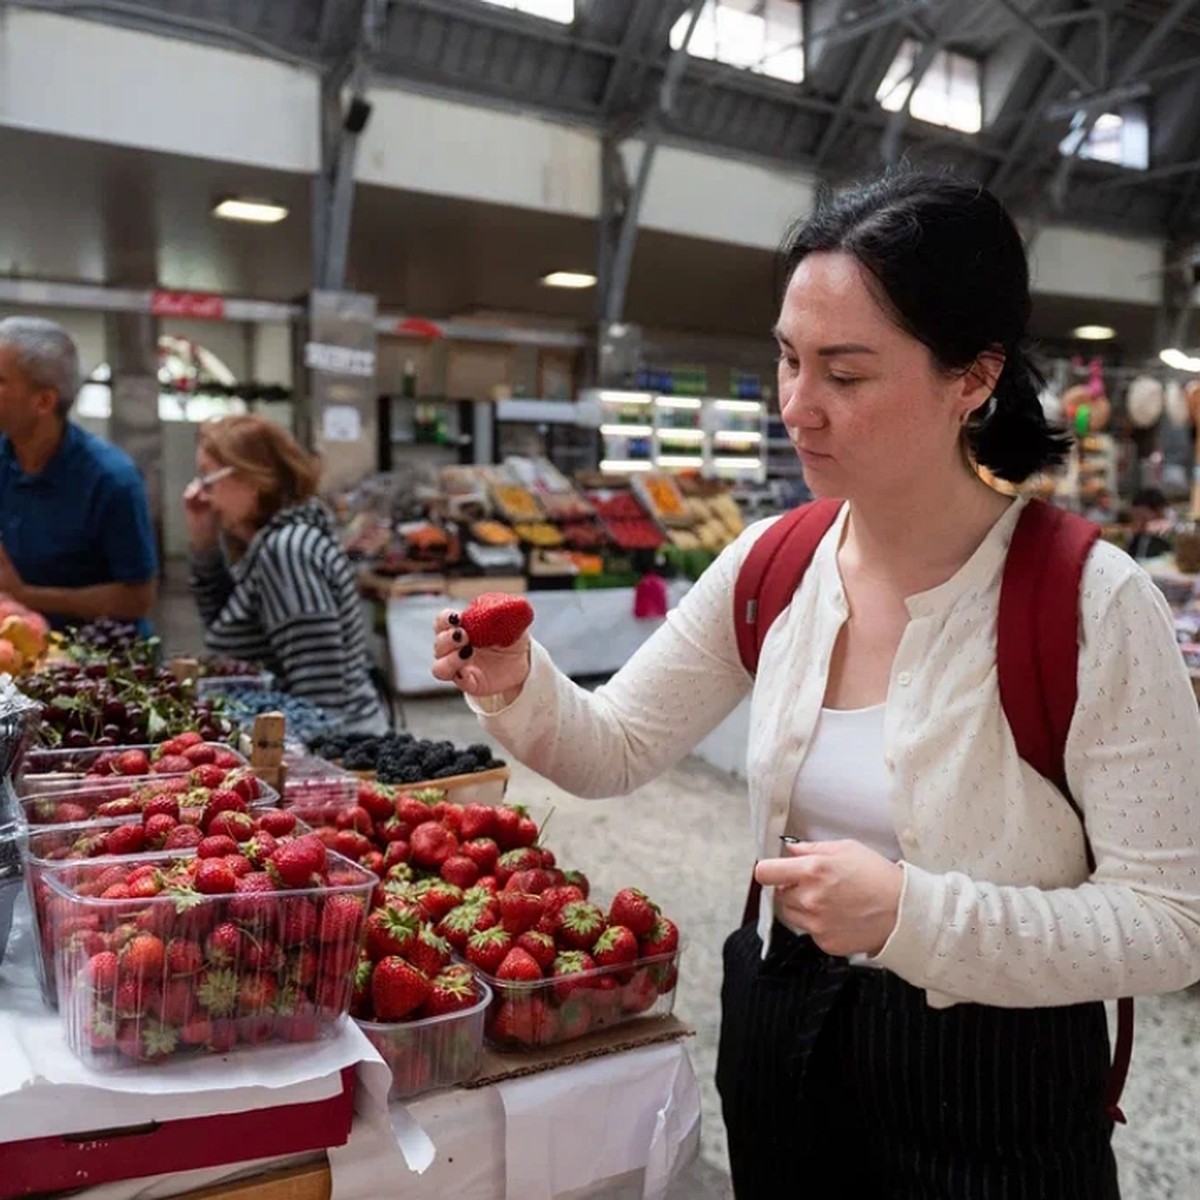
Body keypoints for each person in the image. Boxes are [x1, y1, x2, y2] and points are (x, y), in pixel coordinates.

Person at [431, 172, 1200, 1198]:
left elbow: (1171, 921)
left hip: (997, 1080)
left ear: (972, 377)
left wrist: (910, 916)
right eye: (789, 359)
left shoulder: (1091, 603)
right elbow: (614, 748)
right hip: (782, 1034)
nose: (799, 406)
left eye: (846, 372)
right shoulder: (774, 563)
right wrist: (518, 681)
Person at [185, 414, 387, 735]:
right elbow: (226, 625)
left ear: (253, 478)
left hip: (343, 753)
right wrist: (204, 545)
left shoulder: (288, 552)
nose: (198, 494)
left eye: (209, 479)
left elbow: (321, 703)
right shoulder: (273, 543)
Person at [0, 316, 157, 628]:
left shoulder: (111, 479)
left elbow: (138, 597)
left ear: (43, 401)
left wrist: (27, 596)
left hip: (95, 662)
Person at [1126, 486, 1173, 559]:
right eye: (1135, 518)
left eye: (1142, 517)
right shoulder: (1138, 538)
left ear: (1158, 512)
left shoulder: (1168, 534)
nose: (1137, 522)